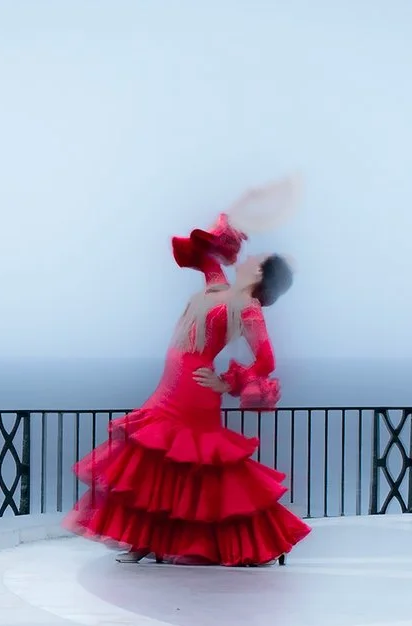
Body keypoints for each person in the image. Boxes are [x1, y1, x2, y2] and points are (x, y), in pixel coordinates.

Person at [64, 211, 309, 566]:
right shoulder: (218, 287)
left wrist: (226, 382)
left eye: (254, 258)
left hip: (194, 392)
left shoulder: (247, 306)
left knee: (190, 468)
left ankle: (248, 543)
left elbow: (266, 360)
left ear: (258, 273)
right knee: (153, 467)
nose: (247, 259)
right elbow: (199, 252)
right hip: (170, 388)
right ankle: (143, 541)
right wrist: (225, 236)